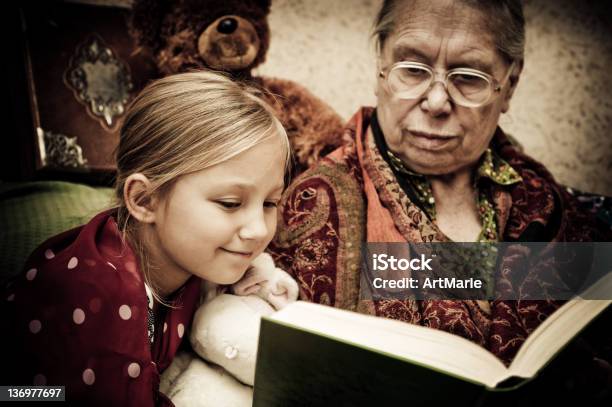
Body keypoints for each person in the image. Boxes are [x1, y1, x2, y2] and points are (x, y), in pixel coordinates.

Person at [269, 0, 610, 376]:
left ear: (509, 85)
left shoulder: (546, 203)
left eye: (468, 77)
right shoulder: (315, 202)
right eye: (412, 69)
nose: (435, 103)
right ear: (381, 65)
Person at [3, 71, 291, 406]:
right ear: (144, 200)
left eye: (270, 203)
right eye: (229, 203)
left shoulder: (195, 261)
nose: (257, 229)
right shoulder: (93, 293)